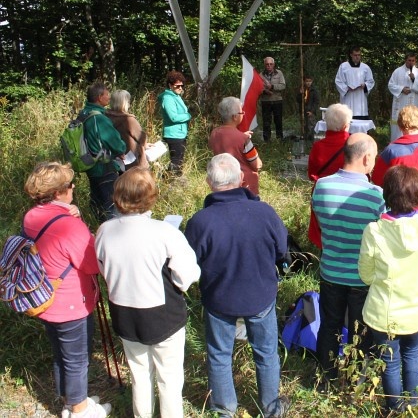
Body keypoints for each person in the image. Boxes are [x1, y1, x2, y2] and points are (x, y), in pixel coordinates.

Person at [184, 154, 289, 418]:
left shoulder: (200, 221)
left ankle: (224, 409)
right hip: (260, 295)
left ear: (209, 183)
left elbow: (188, 264)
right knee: (266, 352)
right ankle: (270, 407)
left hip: (219, 298)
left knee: (219, 354)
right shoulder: (264, 212)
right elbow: (282, 251)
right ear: (242, 179)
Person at [95, 167, 200, 418]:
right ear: (152, 196)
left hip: (124, 312)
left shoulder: (104, 231)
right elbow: (187, 276)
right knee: (169, 377)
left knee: (139, 372)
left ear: (117, 196)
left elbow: (103, 269)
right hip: (163, 315)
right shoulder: (165, 233)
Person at [23, 162, 111, 418]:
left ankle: (71, 399)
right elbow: (91, 263)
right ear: (61, 191)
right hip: (71, 302)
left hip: (43, 297)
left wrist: (72, 216)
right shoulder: (70, 226)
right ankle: (80, 410)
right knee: (77, 359)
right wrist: (81, 225)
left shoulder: (32, 216)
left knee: (61, 354)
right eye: (70, 185)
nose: (73, 187)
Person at [359, 165, 418, 413]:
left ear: (387, 194)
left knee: (390, 361)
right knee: (412, 353)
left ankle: (394, 408)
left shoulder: (374, 231)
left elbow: (366, 275)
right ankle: (412, 403)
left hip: (384, 312)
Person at [311, 133, 385, 384]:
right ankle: (356, 380)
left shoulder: (321, 186)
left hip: (330, 270)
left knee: (329, 325)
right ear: (366, 158)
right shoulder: (376, 195)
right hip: (361, 277)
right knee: (360, 331)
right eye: (373, 158)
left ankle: (327, 376)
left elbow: (322, 226)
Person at [307, 103, 353, 248]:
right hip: (349, 195)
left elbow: (311, 174)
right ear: (346, 125)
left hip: (323, 195)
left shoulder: (318, 147)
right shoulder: (353, 144)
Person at [80, 82, 126, 222]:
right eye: (107, 94)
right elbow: (116, 144)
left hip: (90, 164)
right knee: (111, 205)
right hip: (103, 167)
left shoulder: (84, 113)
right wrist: (122, 148)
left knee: (97, 202)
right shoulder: (99, 118)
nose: (109, 97)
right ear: (100, 97)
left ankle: (97, 229)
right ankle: (111, 233)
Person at [209, 97, 263, 195]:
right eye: (241, 113)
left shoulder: (214, 133)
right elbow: (257, 165)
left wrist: (241, 135)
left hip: (222, 183)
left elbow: (228, 140)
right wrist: (243, 138)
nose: (243, 114)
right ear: (235, 117)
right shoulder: (244, 140)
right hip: (245, 186)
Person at [387, 53, 418, 141]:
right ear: (406, 60)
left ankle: (412, 144)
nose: (411, 62)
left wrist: (414, 79)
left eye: (413, 60)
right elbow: (391, 85)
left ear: (415, 61)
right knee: (399, 126)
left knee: (412, 123)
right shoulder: (397, 71)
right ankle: (397, 144)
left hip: (413, 103)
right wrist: (401, 89)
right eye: (409, 60)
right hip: (400, 102)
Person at [158, 71, 191, 175]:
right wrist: (188, 116)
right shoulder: (168, 98)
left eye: (182, 86)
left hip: (180, 133)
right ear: (170, 85)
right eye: (177, 86)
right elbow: (173, 117)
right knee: (176, 161)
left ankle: (169, 179)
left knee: (178, 160)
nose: (181, 88)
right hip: (174, 134)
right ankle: (171, 182)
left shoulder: (176, 96)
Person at [106, 89, 148, 170]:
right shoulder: (129, 120)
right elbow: (142, 138)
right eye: (128, 101)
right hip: (130, 160)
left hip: (112, 159)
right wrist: (145, 145)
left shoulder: (105, 116)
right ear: (124, 103)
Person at [335, 47, 375, 119]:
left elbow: (371, 81)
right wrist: (346, 88)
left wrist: (365, 85)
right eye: (355, 55)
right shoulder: (343, 66)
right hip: (348, 98)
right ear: (351, 55)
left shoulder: (365, 67)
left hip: (360, 99)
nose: (357, 57)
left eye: (359, 55)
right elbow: (338, 81)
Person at [260, 57, 286, 141]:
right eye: (267, 64)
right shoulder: (260, 75)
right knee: (266, 121)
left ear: (274, 65)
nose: (269, 66)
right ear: (264, 65)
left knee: (278, 121)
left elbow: (283, 85)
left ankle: (280, 139)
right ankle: (267, 140)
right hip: (265, 101)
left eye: (271, 64)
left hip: (277, 100)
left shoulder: (279, 73)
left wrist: (272, 87)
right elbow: (257, 88)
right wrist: (265, 91)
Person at [297, 75, 320, 140]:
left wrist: (312, 111)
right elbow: (298, 100)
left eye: (310, 81)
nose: (308, 83)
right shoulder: (302, 89)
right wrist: (300, 94)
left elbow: (316, 102)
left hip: (310, 111)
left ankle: (310, 140)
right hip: (303, 110)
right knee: (304, 126)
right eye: (307, 81)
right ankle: (304, 138)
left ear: (312, 81)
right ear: (304, 81)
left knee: (310, 126)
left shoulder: (314, 90)